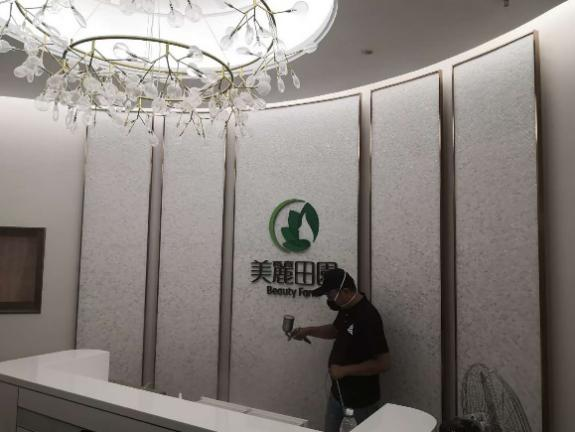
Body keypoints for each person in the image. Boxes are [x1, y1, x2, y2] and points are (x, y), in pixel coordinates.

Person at [291, 268, 391, 432]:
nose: (329, 299)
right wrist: (308, 331)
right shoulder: (347, 308)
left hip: (360, 403)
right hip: (337, 395)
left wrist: (345, 370)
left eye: (330, 295)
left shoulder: (368, 317)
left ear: (345, 291)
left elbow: (384, 363)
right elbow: (335, 331)